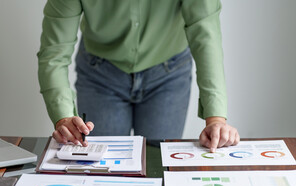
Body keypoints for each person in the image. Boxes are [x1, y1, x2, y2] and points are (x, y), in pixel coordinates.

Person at [37, 0, 240, 152]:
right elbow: (54, 54)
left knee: (160, 167)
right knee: (101, 168)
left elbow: (206, 39)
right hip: (100, 74)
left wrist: (216, 119)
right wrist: (63, 118)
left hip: (168, 72)